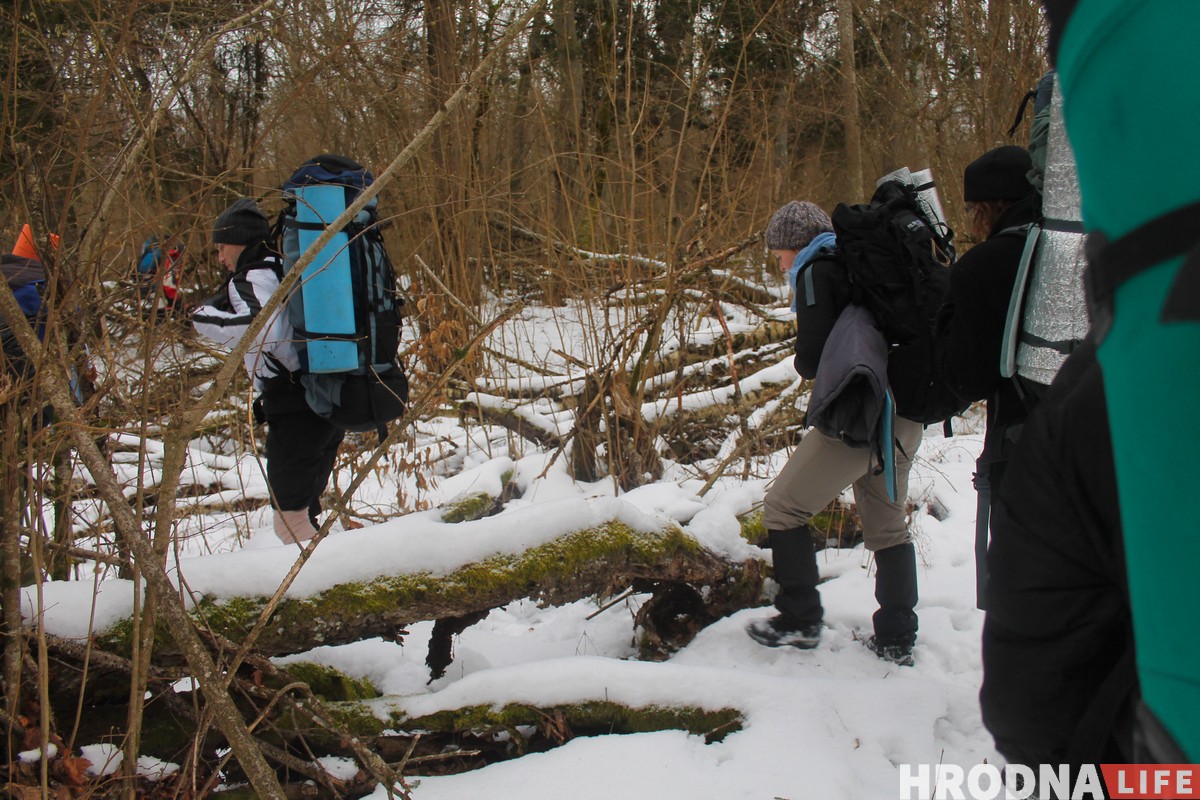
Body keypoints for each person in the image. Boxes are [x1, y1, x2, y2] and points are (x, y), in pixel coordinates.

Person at [747, 200, 924, 666]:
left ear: (794, 245)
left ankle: (799, 619)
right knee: (888, 525)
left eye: (779, 252)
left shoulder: (815, 272)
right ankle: (897, 636)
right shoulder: (860, 263)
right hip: (904, 408)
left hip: (859, 418)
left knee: (783, 507)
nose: (779, 262)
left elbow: (811, 359)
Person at [191, 198, 345, 544]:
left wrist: (201, 316)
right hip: (327, 398)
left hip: (295, 409)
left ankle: (328, 587)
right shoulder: (283, 264)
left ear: (240, 240)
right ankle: (335, 578)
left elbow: (260, 329)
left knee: (289, 522)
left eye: (222, 246)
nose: (220, 257)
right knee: (304, 513)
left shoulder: (250, 276)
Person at [933, 145, 1040, 606]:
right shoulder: (1082, 241)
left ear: (984, 208)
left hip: (1023, 448)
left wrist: (946, 316)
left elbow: (968, 377)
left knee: (1027, 588)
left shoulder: (981, 266)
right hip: (1106, 437)